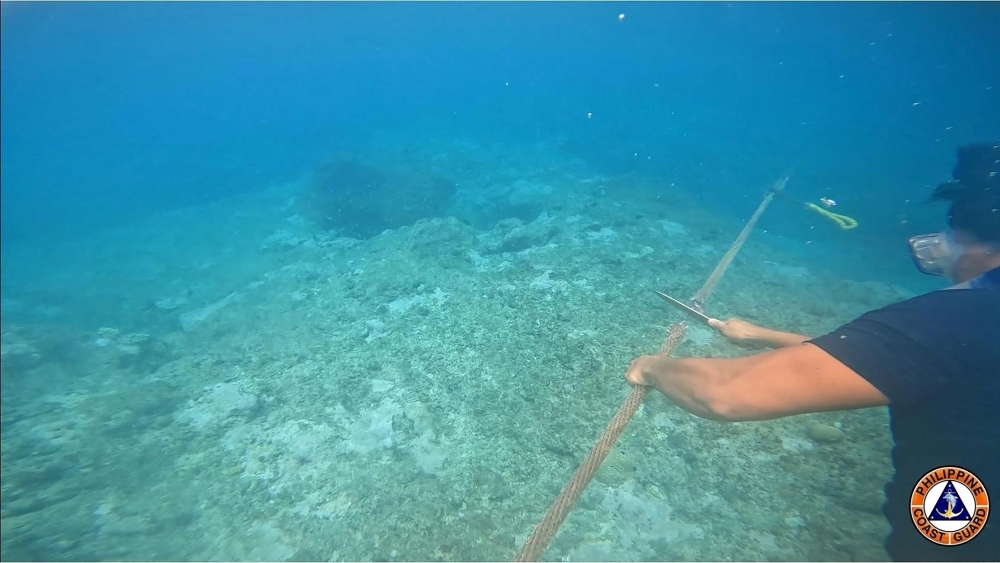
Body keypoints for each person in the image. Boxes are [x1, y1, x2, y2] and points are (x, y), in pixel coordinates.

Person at [625, 142, 1000, 561]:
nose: (944, 240)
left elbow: (726, 393)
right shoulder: (961, 329)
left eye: (954, 225)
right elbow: (888, 361)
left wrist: (652, 368)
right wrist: (761, 334)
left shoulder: (952, 320)